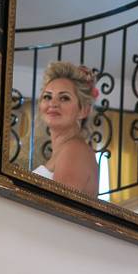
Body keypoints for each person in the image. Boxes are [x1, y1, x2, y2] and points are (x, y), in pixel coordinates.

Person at [32, 61, 99, 197]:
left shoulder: (75, 149)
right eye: (47, 97)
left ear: (83, 110)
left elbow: (57, 208)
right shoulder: (65, 151)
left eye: (64, 98)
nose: (53, 103)